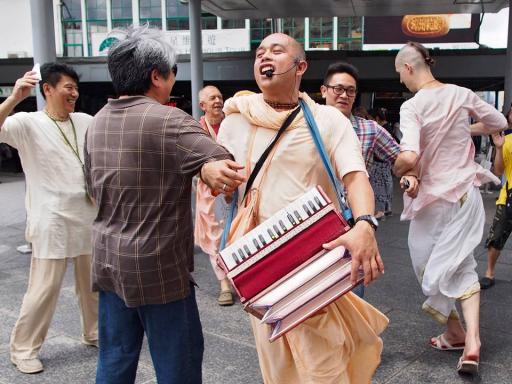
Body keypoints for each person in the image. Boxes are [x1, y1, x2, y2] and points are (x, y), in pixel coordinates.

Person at [217, 33, 388, 384]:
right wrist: (218, 180)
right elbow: (227, 192)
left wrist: (365, 225)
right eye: (260, 52)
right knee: (278, 365)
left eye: (277, 51)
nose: (265, 56)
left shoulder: (328, 120)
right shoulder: (236, 120)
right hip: (261, 265)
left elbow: (356, 179)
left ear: (301, 66)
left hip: (313, 259)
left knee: (322, 363)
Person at [85, 25, 245, 384]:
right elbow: (225, 160)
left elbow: (92, 188)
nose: (174, 79)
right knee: (179, 366)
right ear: (157, 76)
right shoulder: (168, 119)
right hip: (159, 270)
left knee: (114, 361)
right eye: (173, 72)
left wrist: (202, 166)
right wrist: (208, 165)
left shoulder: (96, 124)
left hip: (110, 261)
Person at [393, 41, 508, 375]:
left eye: (400, 73)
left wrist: (398, 167)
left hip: (435, 199)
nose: (401, 80)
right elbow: (498, 119)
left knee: (424, 263)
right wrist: (464, 126)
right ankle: (467, 338)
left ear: (409, 68)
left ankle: (457, 330)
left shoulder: (412, 107)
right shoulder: (461, 93)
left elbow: (410, 155)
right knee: (462, 264)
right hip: (468, 194)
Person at [0, 63, 99, 374]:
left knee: (93, 285)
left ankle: (94, 332)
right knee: (44, 288)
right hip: (51, 219)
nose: (74, 93)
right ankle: (24, 348)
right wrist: (14, 97)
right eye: (68, 87)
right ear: (48, 89)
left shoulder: (84, 121)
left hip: (88, 215)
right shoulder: (27, 123)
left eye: (76, 88)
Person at [320, 62, 400, 219]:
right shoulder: (306, 125)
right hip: (313, 213)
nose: (344, 95)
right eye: (338, 89)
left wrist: (409, 173)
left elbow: (399, 158)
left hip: (353, 215)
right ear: (324, 91)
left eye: (350, 91)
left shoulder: (370, 129)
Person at [194, 85, 234, 306]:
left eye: (220, 96)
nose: (218, 101)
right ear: (202, 105)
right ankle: (224, 285)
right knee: (214, 238)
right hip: (209, 192)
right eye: (212, 98)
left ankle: (240, 278)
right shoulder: (196, 129)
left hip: (235, 187)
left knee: (237, 232)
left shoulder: (233, 123)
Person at [479, 105, 512, 289]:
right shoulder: (506, 140)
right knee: (497, 236)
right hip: (508, 198)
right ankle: (489, 273)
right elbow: (498, 172)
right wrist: (499, 148)